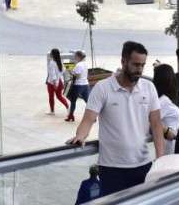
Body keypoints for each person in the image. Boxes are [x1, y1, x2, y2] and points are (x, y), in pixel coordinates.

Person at [67, 41, 165, 196]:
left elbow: (156, 125)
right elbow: (88, 119)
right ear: (123, 61)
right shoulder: (103, 88)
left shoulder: (149, 87)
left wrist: (160, 160)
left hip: (144, 166)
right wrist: (80, 136)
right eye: (135, 64)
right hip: (111, 169)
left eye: (142, 65)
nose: (139, 69)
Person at [153, 64, 179, 155]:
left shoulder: (162, 100)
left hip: (171, 147)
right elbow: (148, 121)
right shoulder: (163, 102)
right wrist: (166, 131)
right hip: (169, 148)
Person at [65, 50, 90, 122]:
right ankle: (93, 117)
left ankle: (71, 116)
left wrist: (70, 71)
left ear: (78, 57)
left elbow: (77, 76)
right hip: (85, 84)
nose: (75, 57)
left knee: (73, 101)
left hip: (78, 85)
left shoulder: (79, 65)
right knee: (87, 101)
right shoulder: (85, 64)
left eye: (75, 56)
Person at [46, 49, 69, 114]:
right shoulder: (60, 62)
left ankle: (52, 111)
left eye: (51, 53)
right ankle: (68, 107)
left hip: (52, 83)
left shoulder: (52, 63)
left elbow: (52, 74)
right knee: (59, 96)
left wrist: (55, 83)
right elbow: (63, 71)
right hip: (60, 82)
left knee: (51, 97)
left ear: (52, 54)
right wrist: (58, 79)